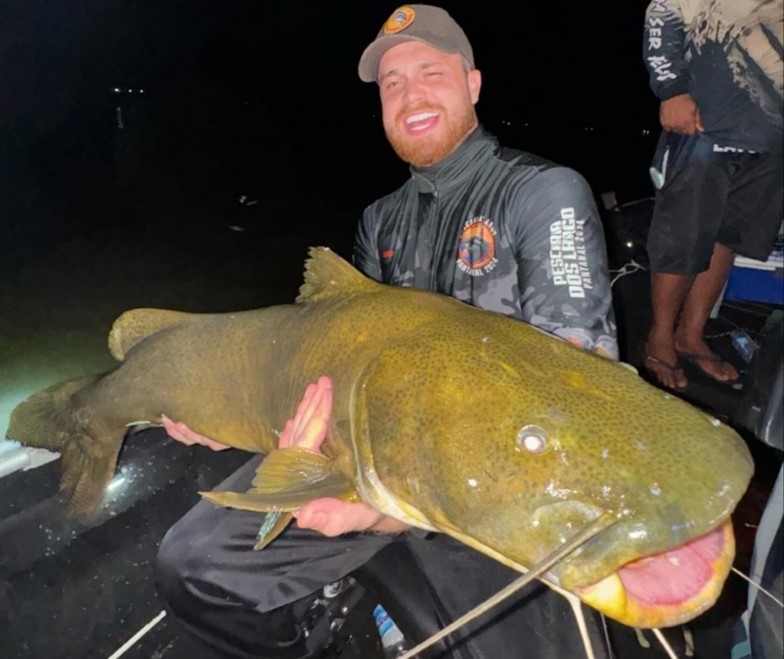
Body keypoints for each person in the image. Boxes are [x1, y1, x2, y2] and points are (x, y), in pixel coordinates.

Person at [156, 5, 618, 658]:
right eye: (392, 83)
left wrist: (387, 511)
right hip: (371, 465)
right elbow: (339, 367)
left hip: (501, 501)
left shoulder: (543, 193)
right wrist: (234, 412)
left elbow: (580, 405)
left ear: (474, 84)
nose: (410, 93)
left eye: (430, 71)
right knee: (194, 562)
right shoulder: (380, 221)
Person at [641, 0, 783, 391]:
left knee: (729, 237)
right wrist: (671, 90)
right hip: (704, 128)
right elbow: (662, 16)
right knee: (682, 239)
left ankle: (691, 335)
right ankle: (659, 338)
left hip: (771, 135)